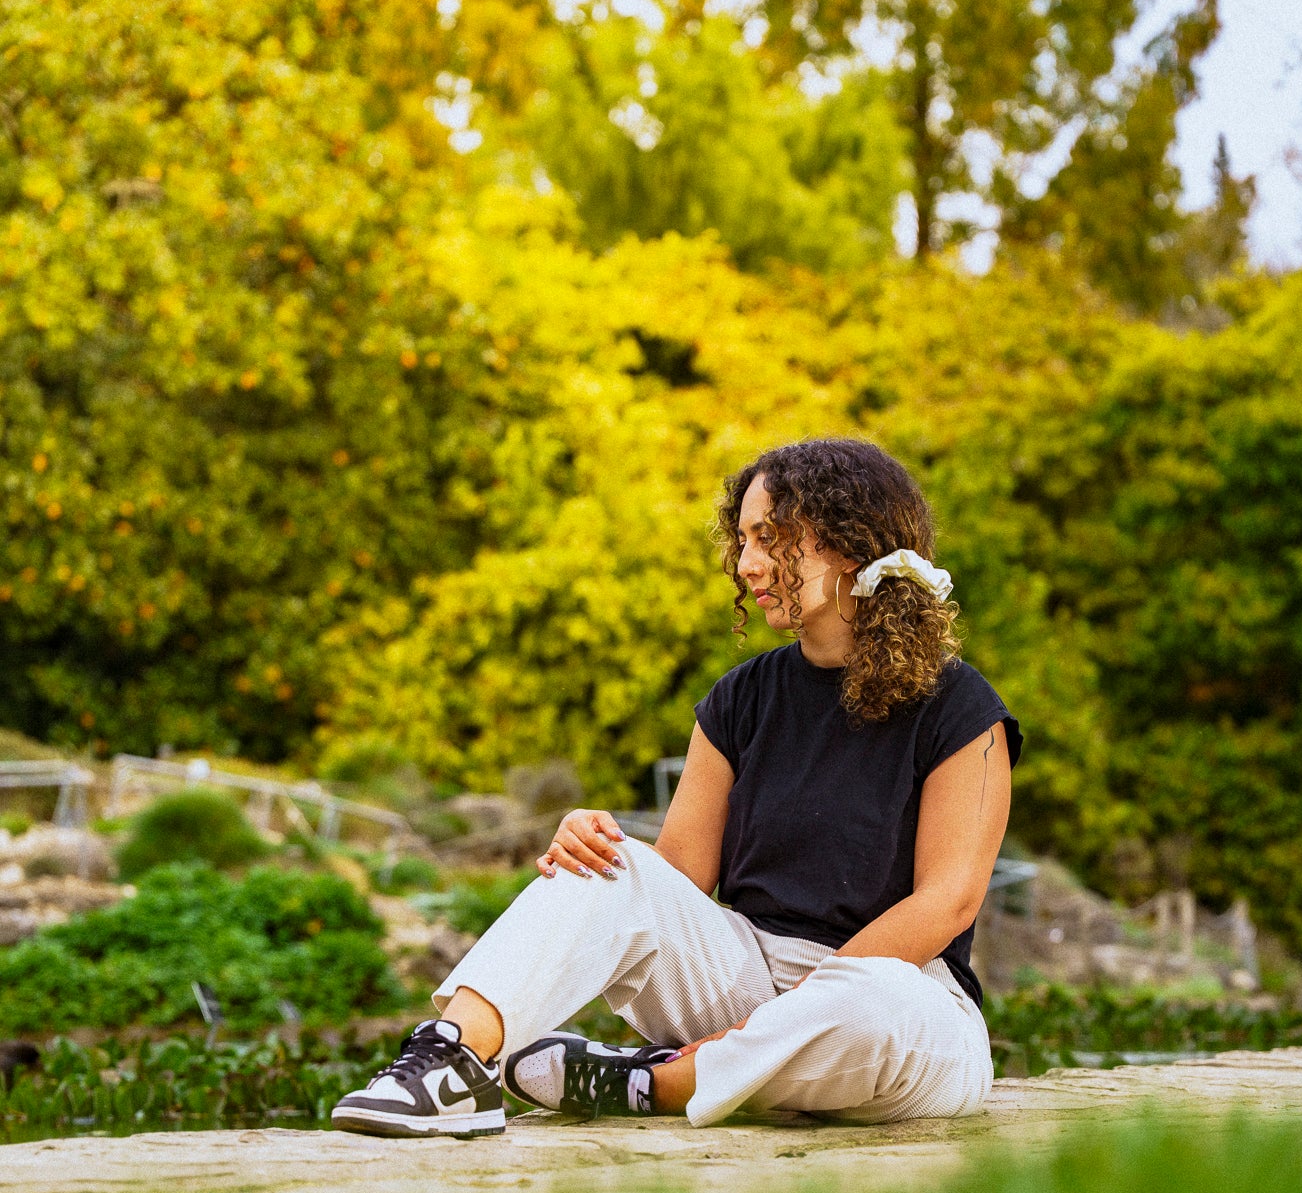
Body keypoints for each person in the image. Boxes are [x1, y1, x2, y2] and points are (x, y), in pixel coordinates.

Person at [331, 437, 1019, 1138]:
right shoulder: (742, 698)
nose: (746, 564)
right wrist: (593, 849)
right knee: (613, 862)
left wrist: (796, 1016)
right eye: (742, 540)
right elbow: (680, 876)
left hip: (898, 1004)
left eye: (770, 539)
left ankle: (656, 1082)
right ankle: (451, 1063)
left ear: (849, 546)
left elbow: (946, 902)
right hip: (743, 978)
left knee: (874, 1005)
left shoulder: (960, 709)